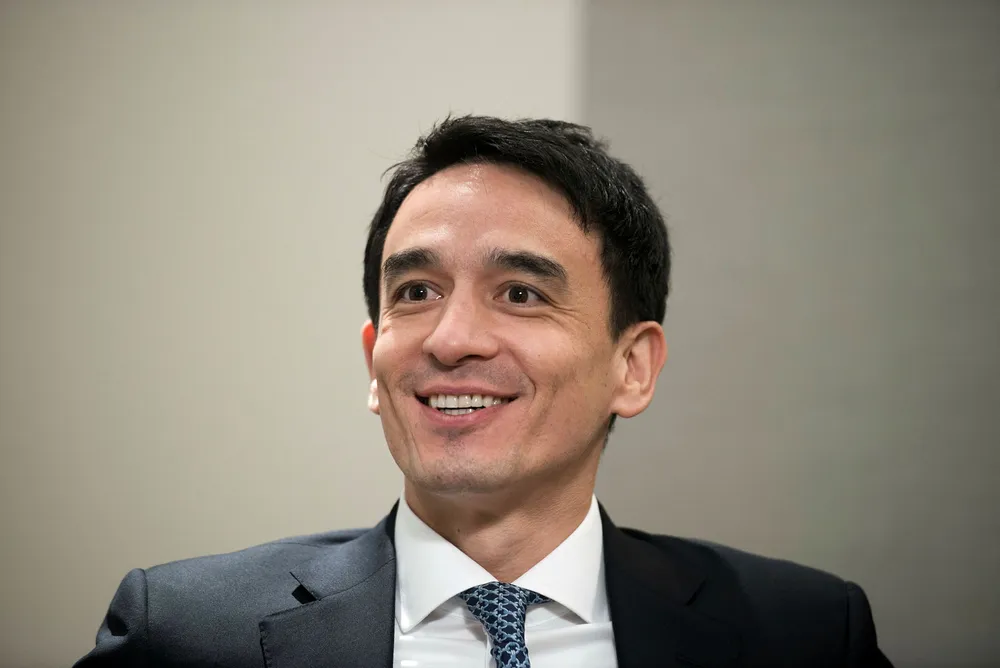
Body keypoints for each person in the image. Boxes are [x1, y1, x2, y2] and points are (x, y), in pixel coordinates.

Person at [75, 116, 893, 667]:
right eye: (416, 292)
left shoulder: (804, 634)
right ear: (374, 362)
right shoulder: (182, 634)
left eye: (521, 294)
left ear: (633, 367)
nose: (451, 338)